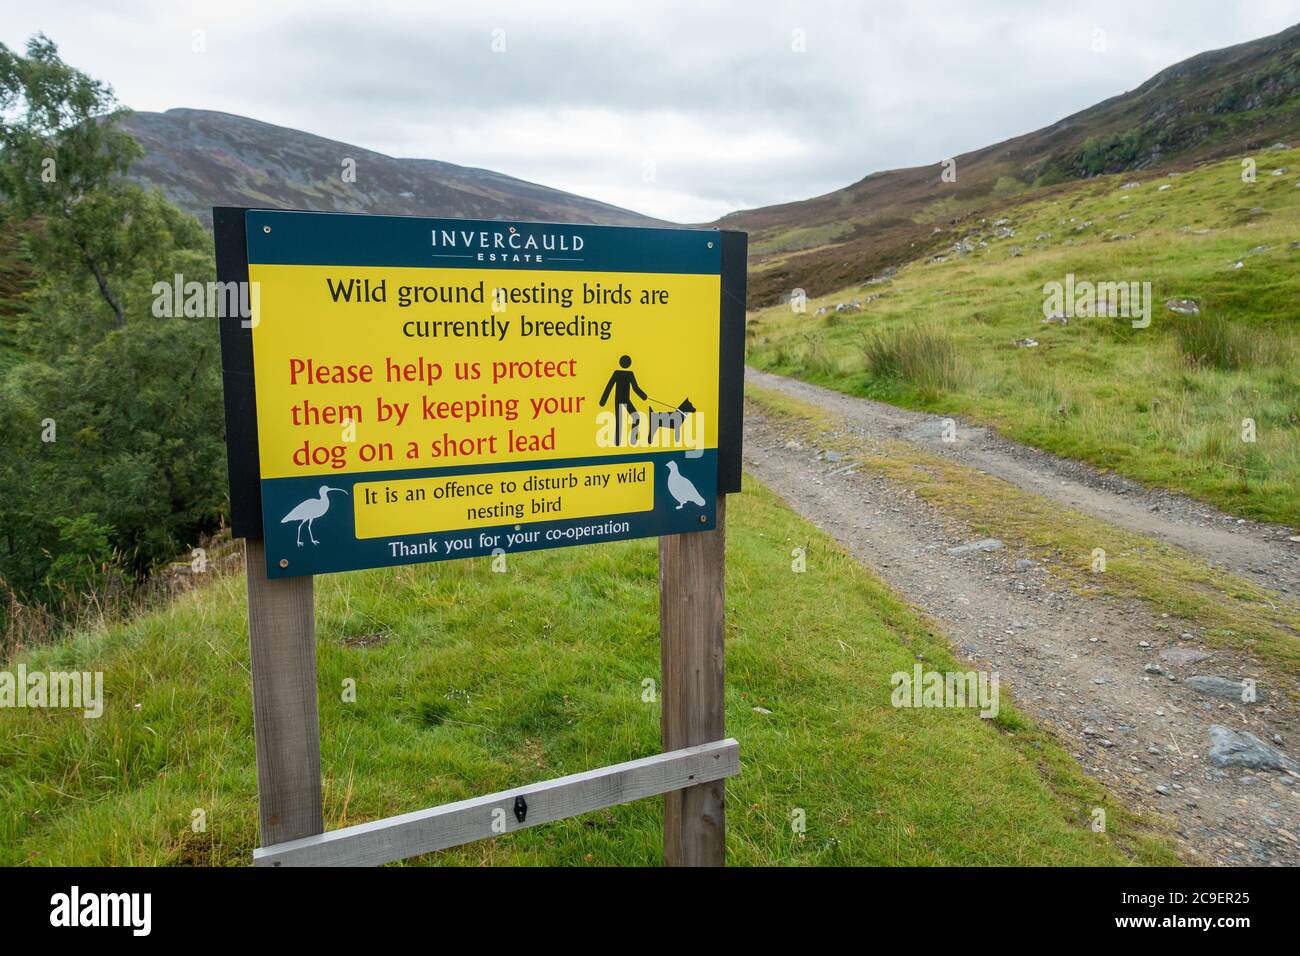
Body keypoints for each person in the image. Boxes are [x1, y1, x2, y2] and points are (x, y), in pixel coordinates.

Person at [599, 355, 647, 446]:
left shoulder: (621, 373)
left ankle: (627, 440)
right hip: (623, 400)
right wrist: (643, 396)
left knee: (626, 419)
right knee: (632, 418)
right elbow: (635, 388)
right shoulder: (627, 374)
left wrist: (603, 401)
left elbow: (609, 387)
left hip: (621, 400)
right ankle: (626, 441)